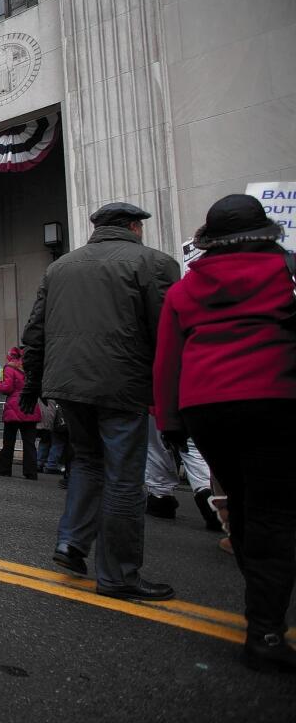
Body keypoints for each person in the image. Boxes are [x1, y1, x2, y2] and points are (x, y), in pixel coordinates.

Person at [153, 194, 296, 672]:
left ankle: (264, 615)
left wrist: (169, 422)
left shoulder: (184, 290)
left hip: (206, 408)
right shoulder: (288, 275)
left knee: (244, 506)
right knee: (274, 515)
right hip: (275, 398)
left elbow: (167, 360)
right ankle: (266, 627)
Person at [21, 201, 180, 601]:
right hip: (122, 383)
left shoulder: (59, 268)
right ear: (133, 227)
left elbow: (34, 333)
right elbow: (168, 335)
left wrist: (33, 383)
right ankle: (119, 575)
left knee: (88, 463)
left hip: (67, 385)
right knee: (124, 477)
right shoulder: (155, 264)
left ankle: (71, 543)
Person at [0, 346, 39, 479]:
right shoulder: (30, 368)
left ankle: (4, 469)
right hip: (30, 406)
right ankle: (31, 472)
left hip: (14, 407)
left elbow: (7, 387)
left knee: (9, 441)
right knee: (29, 443)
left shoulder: (9, 368)